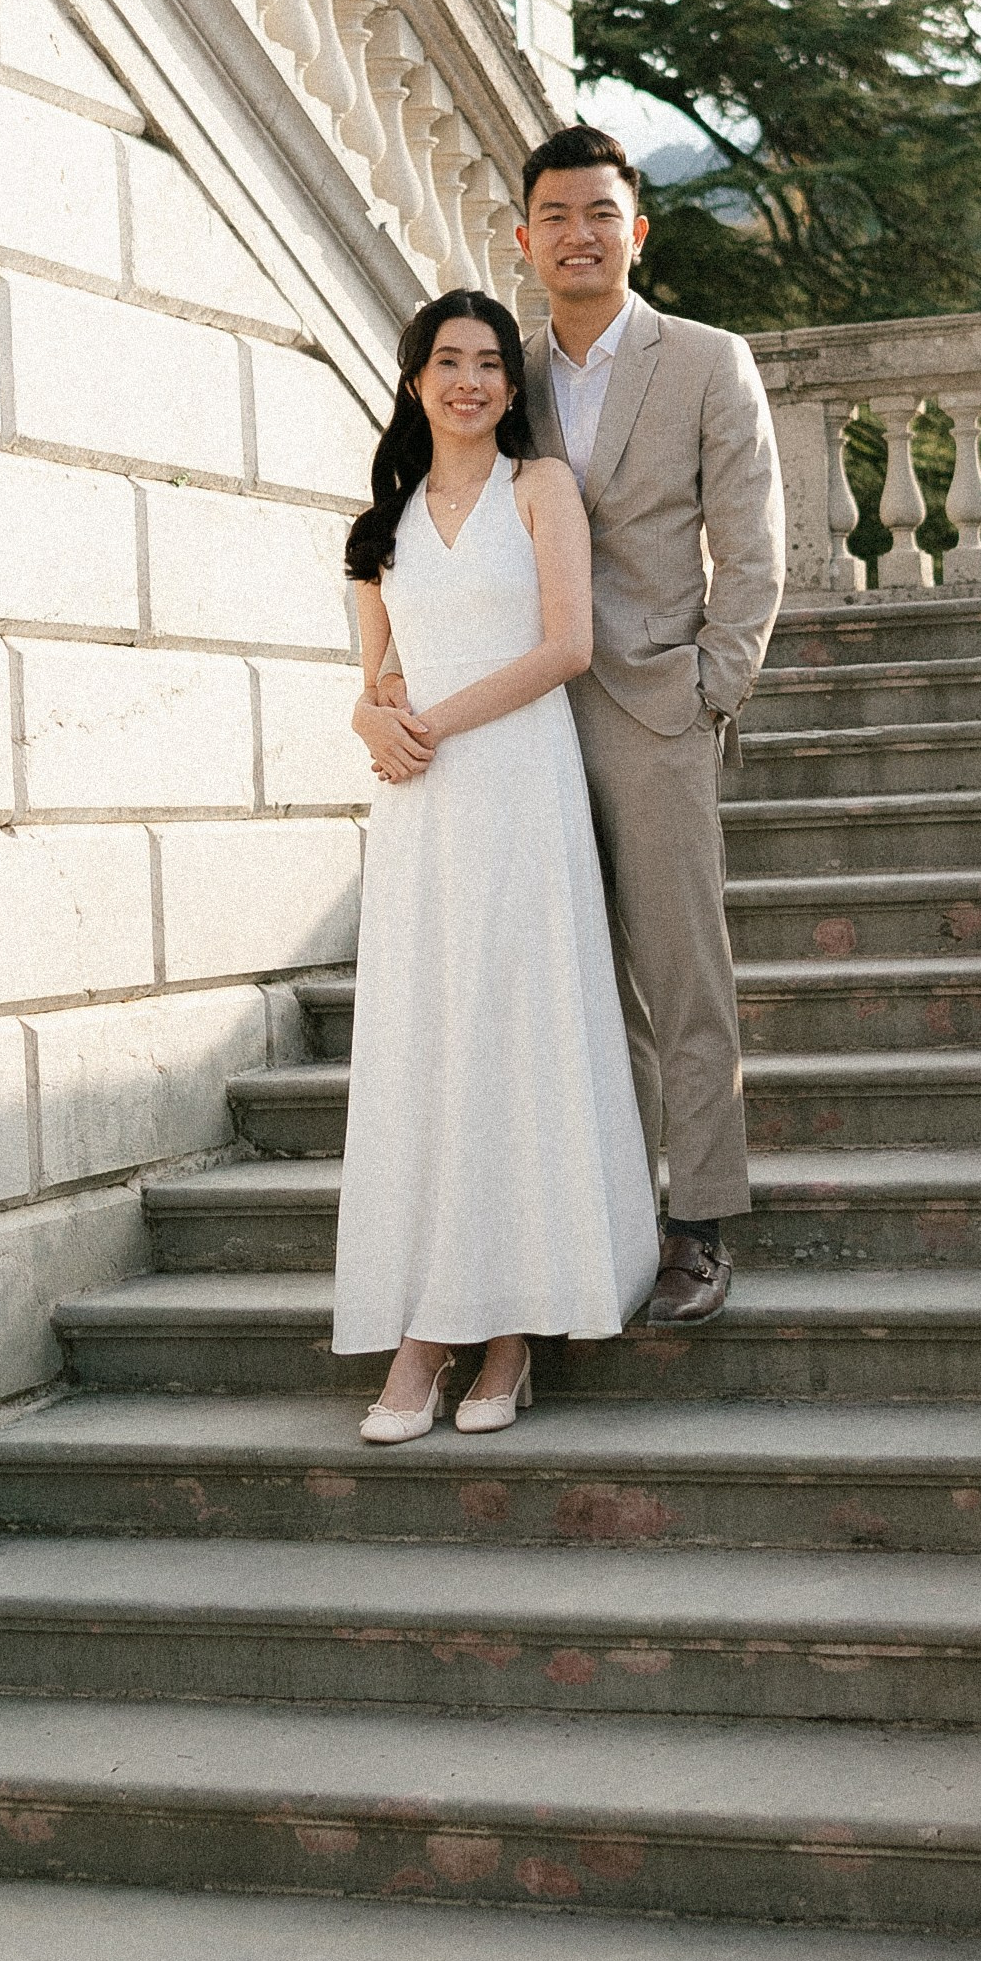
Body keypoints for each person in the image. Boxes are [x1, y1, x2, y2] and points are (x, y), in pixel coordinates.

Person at [335, 290, 659, 1442]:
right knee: (433, 1049)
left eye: (487, 364)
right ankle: (429, 1324)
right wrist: (378, 722)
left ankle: (509, 1333)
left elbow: (567, 645)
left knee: (511, 1037)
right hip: (424, 814)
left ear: (510, 390)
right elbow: (376, 672)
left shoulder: (542, 490)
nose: (467, 380)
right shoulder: (385, 517)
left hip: (518, 784)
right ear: (415, 379)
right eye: (446, 361)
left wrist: (433, 719)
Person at [517, 125, 786, 1322]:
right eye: (556, 217)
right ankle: (612, 1208)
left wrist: (710, 686)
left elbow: (755, 545)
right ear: (523, 240)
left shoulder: (705, 360)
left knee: (683, 976)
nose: (579, 235)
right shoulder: (497, 375)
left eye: (600, 213)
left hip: (654, 705)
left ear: (638, 229)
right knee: (576, 980)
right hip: (525, 720)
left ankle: (700, 1223)